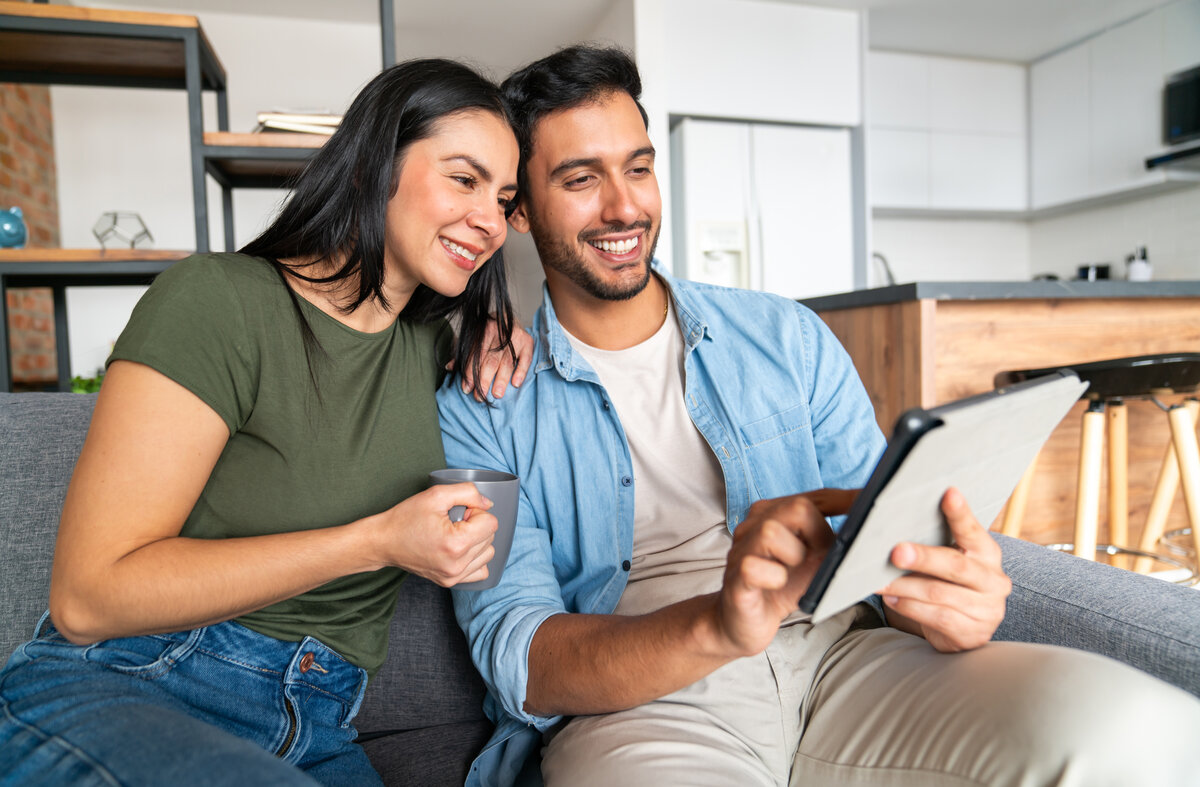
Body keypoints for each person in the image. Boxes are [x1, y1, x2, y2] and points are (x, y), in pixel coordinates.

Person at [437, 46, 1200, 787]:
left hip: (845, 661)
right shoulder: (480, 403)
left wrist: (943, 600)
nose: (626, 205)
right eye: (581, 179)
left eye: (639, 168)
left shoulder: (787, 337)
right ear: (520, 209)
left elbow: (881, 541)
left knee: (1134, 725)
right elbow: (521, 656)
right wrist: (720, 623)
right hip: (644, 706)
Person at [0, 58, 533, 785]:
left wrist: (496, 326)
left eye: (504, 199)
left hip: (317, 717)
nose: (492, 221)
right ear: (372, 166)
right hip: (138, 676)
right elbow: (88, 597)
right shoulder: (219, 301)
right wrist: (376, 541)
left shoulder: (431, 347)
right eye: (464, 179)